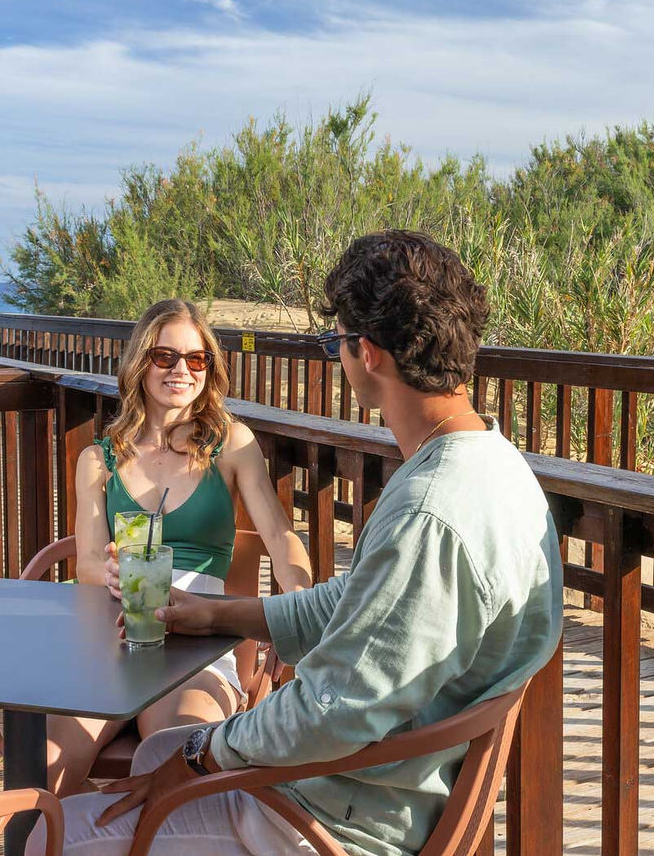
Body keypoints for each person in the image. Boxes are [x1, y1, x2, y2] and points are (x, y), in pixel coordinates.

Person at [30, 231, 563, 856]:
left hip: (328, 819)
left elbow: (333, 708)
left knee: (48, 837)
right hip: (380, 782)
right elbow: (359, 605)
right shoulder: (496, 467)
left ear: (367, 353)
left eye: (335, 344)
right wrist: (220, 615)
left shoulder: (428, 513)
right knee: (156, 751)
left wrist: (205, 753)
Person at [49, 298, 313, 796]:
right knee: (42, 765)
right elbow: (89, 562)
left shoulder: (231, 444)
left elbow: (281, 537)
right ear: (140, 362)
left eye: (196, 359)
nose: (181, 370)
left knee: (174, 766)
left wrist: (297, 608)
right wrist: (110, 574)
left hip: (198, 649)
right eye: (165, 356)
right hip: (115, 639)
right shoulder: (98, 461)